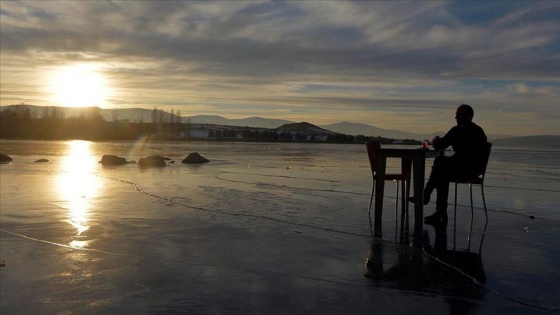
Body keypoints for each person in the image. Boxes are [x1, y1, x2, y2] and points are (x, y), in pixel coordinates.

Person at [418, 104, 488, 224]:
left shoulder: (458, 130)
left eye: (458, 114)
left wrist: (435, 141)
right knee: (442, 170)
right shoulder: (479, 131)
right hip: (475, 170)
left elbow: (440, 145)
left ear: (467, 116)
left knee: (440, 163)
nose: (455, 117)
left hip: (463, 169)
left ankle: (429, 198)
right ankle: (435, 205)